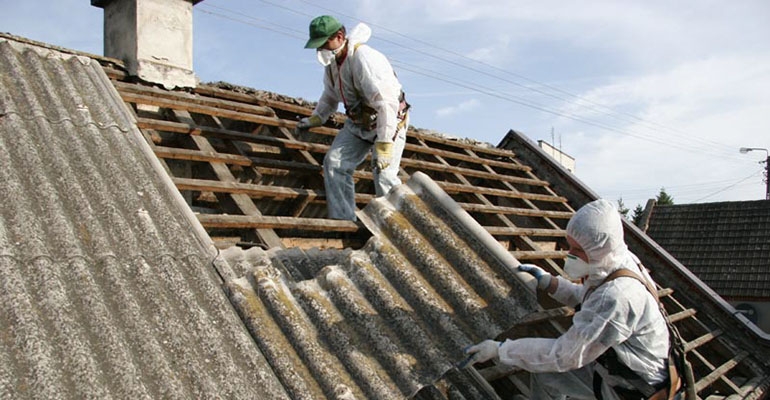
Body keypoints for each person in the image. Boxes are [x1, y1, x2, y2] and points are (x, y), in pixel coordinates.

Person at [463, 199, 672, 400]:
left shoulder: (618, 296)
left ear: (600, 250)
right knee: (545, 372)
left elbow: (565, 355)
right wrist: (551, 283)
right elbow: (589, 298)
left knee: (547, 367)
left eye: (579, 250)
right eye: (570, 246)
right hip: (622, 363)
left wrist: (500, 350)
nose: (570, 255)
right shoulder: (615, 261)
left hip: (633, 388)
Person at [297, 15, 410, 221]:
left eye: (324, 43)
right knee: (334, 164)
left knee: (384, 174)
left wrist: (384, 143)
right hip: (358, 123)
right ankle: (344, 220)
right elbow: (330, 95)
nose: (321, 49)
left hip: (388, 120)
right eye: (318, 45)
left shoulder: (364, 58)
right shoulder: (332, 64)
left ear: (340, 36)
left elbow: (386, 103)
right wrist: (317, 118)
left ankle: (399, 225)